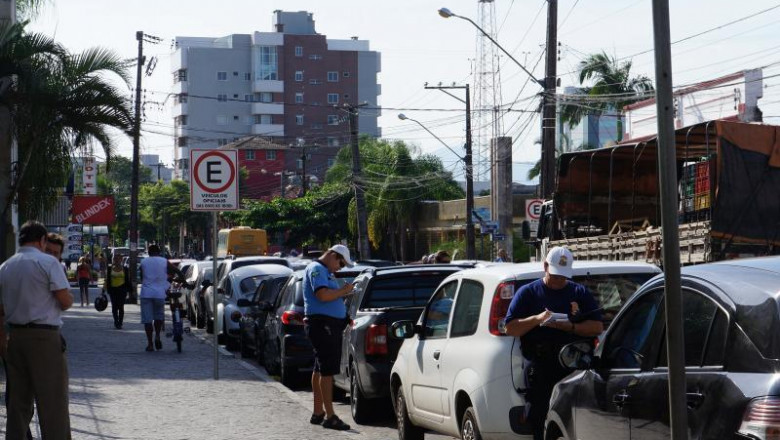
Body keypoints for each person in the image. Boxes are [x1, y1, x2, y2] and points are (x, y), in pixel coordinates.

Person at [504, 246, 604, 440]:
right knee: (539, 417)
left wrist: (570, 327)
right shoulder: (528, 293)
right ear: (545, 267)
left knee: (574, 417)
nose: (559, 281)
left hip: (572, 365)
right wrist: (537, 319)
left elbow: (597, 327)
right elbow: (510, 328)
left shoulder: (579, 292)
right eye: (556, 275)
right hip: (541, 366)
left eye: (563, 276)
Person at [0, 221, 74, 439]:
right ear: (42, 240)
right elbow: (63, 301)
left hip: (15, 336)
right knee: (52, 400)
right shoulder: (47, 262)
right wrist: (68, 298)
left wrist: (2, 340)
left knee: (18, 402)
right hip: (44, 337)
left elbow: (1, 309)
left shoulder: (5, 267)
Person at [302, 244, 355, 431]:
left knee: (319, 368)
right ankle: (330, 416)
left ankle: (318, 412)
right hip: (322, 326)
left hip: (327, 325)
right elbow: (323, 296)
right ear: (333, 255)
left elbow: (329, 299)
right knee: (327, 371)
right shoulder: (317, 269)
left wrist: (345, 317)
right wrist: (344, 291)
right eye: (340, 262)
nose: (339, 267)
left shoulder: (324, 270)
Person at [139, 244, 183, 352]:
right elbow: (177, 271)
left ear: (148, 253)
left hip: (146, 294)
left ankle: (150, 344)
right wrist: (182, 280)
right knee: (158, 317)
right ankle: (157, 335)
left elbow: (141, 277)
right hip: (159, 294)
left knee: (148, 321)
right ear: (159, 252)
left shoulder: (143, 262)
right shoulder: (164, 261)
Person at [103, 254, 131, 329]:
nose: (117, 260)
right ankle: (116, 321)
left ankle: (120, 322)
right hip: (113, 290)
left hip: (122, 290)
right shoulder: (110, 269)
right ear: (113, 260)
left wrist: (130, 290)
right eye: (115, 259)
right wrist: (103, 289)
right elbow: (106, 280)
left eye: (118, 259)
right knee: (114, 307)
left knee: (121, 307)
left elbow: (128, 280)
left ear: (121, 260)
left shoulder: (125, 269)